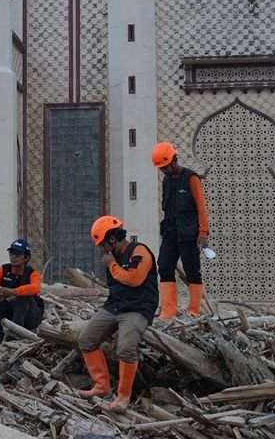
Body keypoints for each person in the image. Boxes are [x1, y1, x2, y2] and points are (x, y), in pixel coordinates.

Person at [78, 215, 157, 412]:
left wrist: (112, 264)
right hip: (115, 305)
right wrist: (113, 264)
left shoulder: (139, 252)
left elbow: (134, 279)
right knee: (87, 339)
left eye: (103, 244)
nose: (102, 250)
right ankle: (102, 386)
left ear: (112, 239)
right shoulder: (113, 257)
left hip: (138, 308)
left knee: (126, 348)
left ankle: (123, 396)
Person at [152, 142, 210, 318]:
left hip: (188, 234)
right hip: (171, 232)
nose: (163, 171)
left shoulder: (191, 178)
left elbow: (201, 207)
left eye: (165, 167)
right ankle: (168, 311)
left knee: (193, 271)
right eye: (160, 168)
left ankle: (194, 311)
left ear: (174, 160)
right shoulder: (167, 180)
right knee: (164, 266)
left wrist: (203, 233)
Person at [0, 238, 44, 345]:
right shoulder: (4, 269)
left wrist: (12, 291)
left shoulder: (32, 273)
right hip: (11, 312)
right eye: (11, 253)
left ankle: (15, 332)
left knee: (24, 294)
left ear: (26, 257)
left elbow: (35, 288)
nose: (13, 256)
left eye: (18, 254)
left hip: (30, 316)